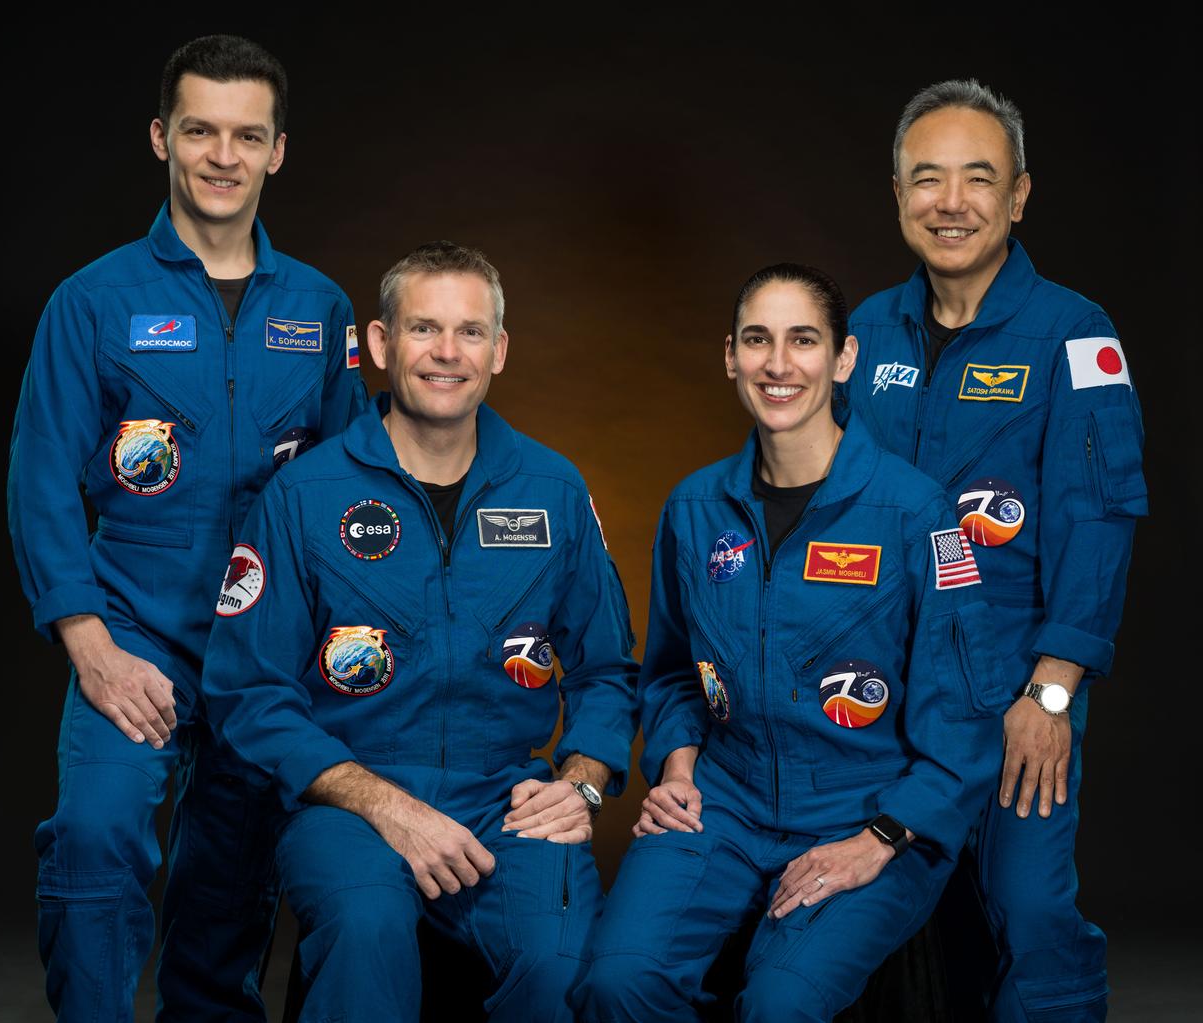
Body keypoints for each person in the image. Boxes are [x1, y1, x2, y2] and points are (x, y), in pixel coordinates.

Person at [7, 35, 368, 1021]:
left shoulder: (319, 309)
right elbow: (41, 483)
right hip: (134, 626)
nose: (221, 156)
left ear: (277, 150)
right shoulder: (92, 302)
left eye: (245, 135)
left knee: (230, 871)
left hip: (264, 644)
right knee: (94, 834)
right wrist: (90, 647)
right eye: (200, 130)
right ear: (162, 137)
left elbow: (352, 488)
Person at [200, 240, 639, 1022]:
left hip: (505, 796)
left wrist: (582, 781)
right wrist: (386, 805)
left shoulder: (553, 490)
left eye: (470, 332)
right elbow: (249, 691)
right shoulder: (304, 495)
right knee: (367, 928)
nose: (446, 352)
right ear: (379, 343)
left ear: (499, 351)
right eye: (423, 329)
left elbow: (608, 669)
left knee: (563, 961)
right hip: (349, 799)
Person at [577, 263, 1009, 1022]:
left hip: (868, 808)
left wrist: (879, 836)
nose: (779, 364)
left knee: (780, 1002)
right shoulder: (696, 507)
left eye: (803, 340)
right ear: (730, 356)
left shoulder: (916, 513)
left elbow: (966, 722)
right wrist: (677, 766)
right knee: (616, 981)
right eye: (758, 340)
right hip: (726, 803)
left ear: (844, 359)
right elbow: (674, 672)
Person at [845, 80, 1147, 1021]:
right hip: (885, 687)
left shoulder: (1076, 334)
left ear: (1018, 195)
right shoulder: (863, 334)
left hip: (1012, 691)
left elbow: (1099, 519)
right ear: (897, 196)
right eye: (926, 180)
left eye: (978, 179)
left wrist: (1051, 695)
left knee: (1026, 905)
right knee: (877, 906)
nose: (951, 203)